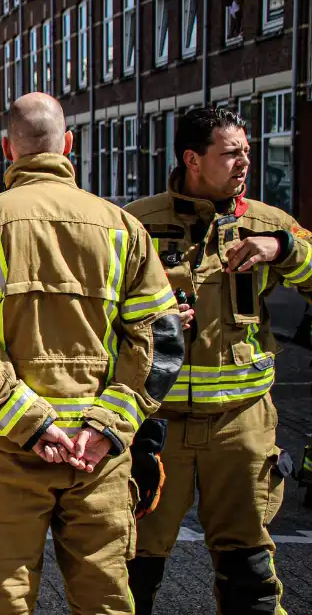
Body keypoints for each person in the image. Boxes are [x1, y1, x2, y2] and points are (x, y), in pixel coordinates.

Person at [0, 93, 184, 614]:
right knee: (104, 599)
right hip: (98, 458)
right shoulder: (123, 228)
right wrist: (106, 427)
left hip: (12, 451)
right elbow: (161, 339)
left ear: (8, 149)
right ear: (69, 145)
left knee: (3, 597)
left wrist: (31, 423)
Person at [124, 106, 312, 614]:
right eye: (231, 153)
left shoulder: (270, 224)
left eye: (246, 152)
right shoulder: (135, 225)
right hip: (158, 429)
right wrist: (147, 320)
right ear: (192, 159)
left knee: (249, 570)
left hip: (241, 426)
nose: (244, 162)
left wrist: (283, 248)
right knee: (131, 570)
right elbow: (95, 317)